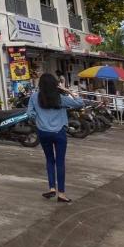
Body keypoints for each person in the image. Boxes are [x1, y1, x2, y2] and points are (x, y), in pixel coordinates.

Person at [27, 72, 85, 203]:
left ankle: (52, 188)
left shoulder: (34, 97)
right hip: (59, 132)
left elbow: (30, 113)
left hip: (43, 132)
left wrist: (40, 120)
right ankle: (62, 193)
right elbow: (80, 103)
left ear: (40, 84)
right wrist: (68, 91)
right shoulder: (60, 97)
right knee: (60, 162)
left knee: (49, 160)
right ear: (55, 84)